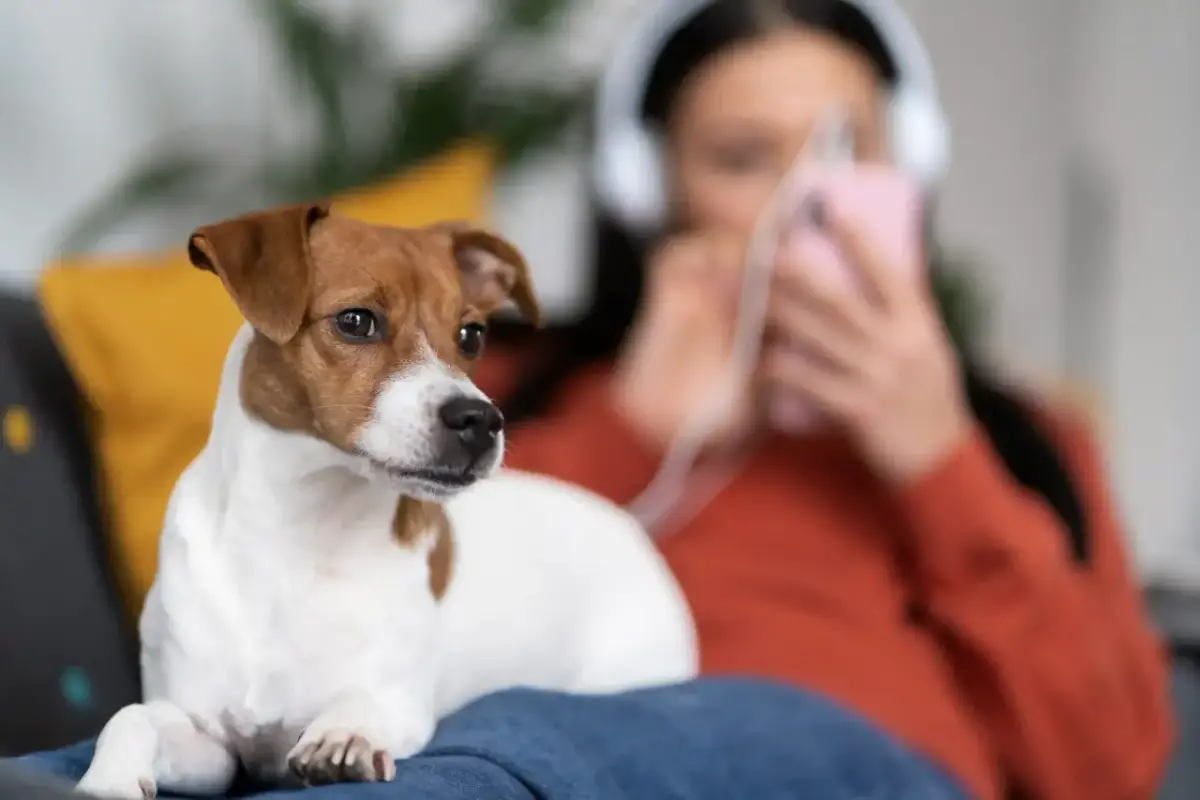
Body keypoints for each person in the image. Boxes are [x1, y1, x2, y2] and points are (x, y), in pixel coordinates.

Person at [485, 1, 1174, 798]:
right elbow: (409, 614)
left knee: (748, 732)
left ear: (910, 166)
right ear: (648, 190)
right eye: (744, 159)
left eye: (846, 148)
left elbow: (1113, 773)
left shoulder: (1022, 439)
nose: (805, 199)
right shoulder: (503, 388)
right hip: (558, 760)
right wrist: (627, 430)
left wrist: (942, 464)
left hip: (861, 769)